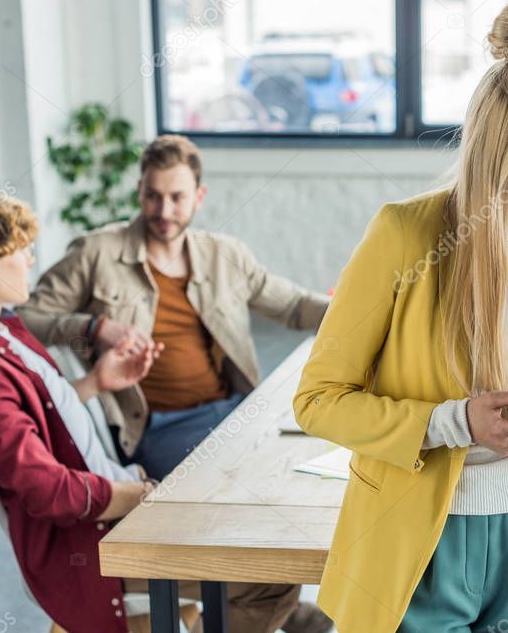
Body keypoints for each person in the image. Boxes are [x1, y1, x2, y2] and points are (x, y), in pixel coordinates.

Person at [293, 1, 508, 633]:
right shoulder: (406, 237)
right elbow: (318, 401)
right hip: (417, 541)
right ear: (502, 169)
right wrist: (455, 421)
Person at [16, 134, 332, 632]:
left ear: (198, 197)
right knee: (260, 494)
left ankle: (275, 601)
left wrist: (358, 307)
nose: (164, 210)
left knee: (304, 464)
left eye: (177, 197)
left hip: (231, 410)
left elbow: (292, 305)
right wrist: (93, 327)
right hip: (157, 427)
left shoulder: (223, 254)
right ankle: (273, 601)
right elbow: (27, 316)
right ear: (139, 191)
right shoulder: (97, 252)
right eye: (153, 195)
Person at [0, 193, 157, 632]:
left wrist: (95, 383)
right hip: (92, 539)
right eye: (20, 249)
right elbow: (50, 491)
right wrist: (139, 495)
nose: (30, 258)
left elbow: (38, 417)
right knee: (262, 583)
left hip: (114, 499)